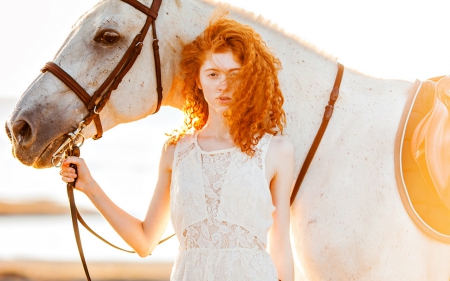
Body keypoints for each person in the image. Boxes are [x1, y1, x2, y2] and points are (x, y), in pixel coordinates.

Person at [60, 18, 294, 281]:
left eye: (235, 74)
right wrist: (89, 186)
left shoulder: (276, 150)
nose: (223, 85)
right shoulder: (176, 151)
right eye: (213, 74)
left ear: (250, 80)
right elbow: (145, 241)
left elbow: (281, 244)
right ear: (198, 79)